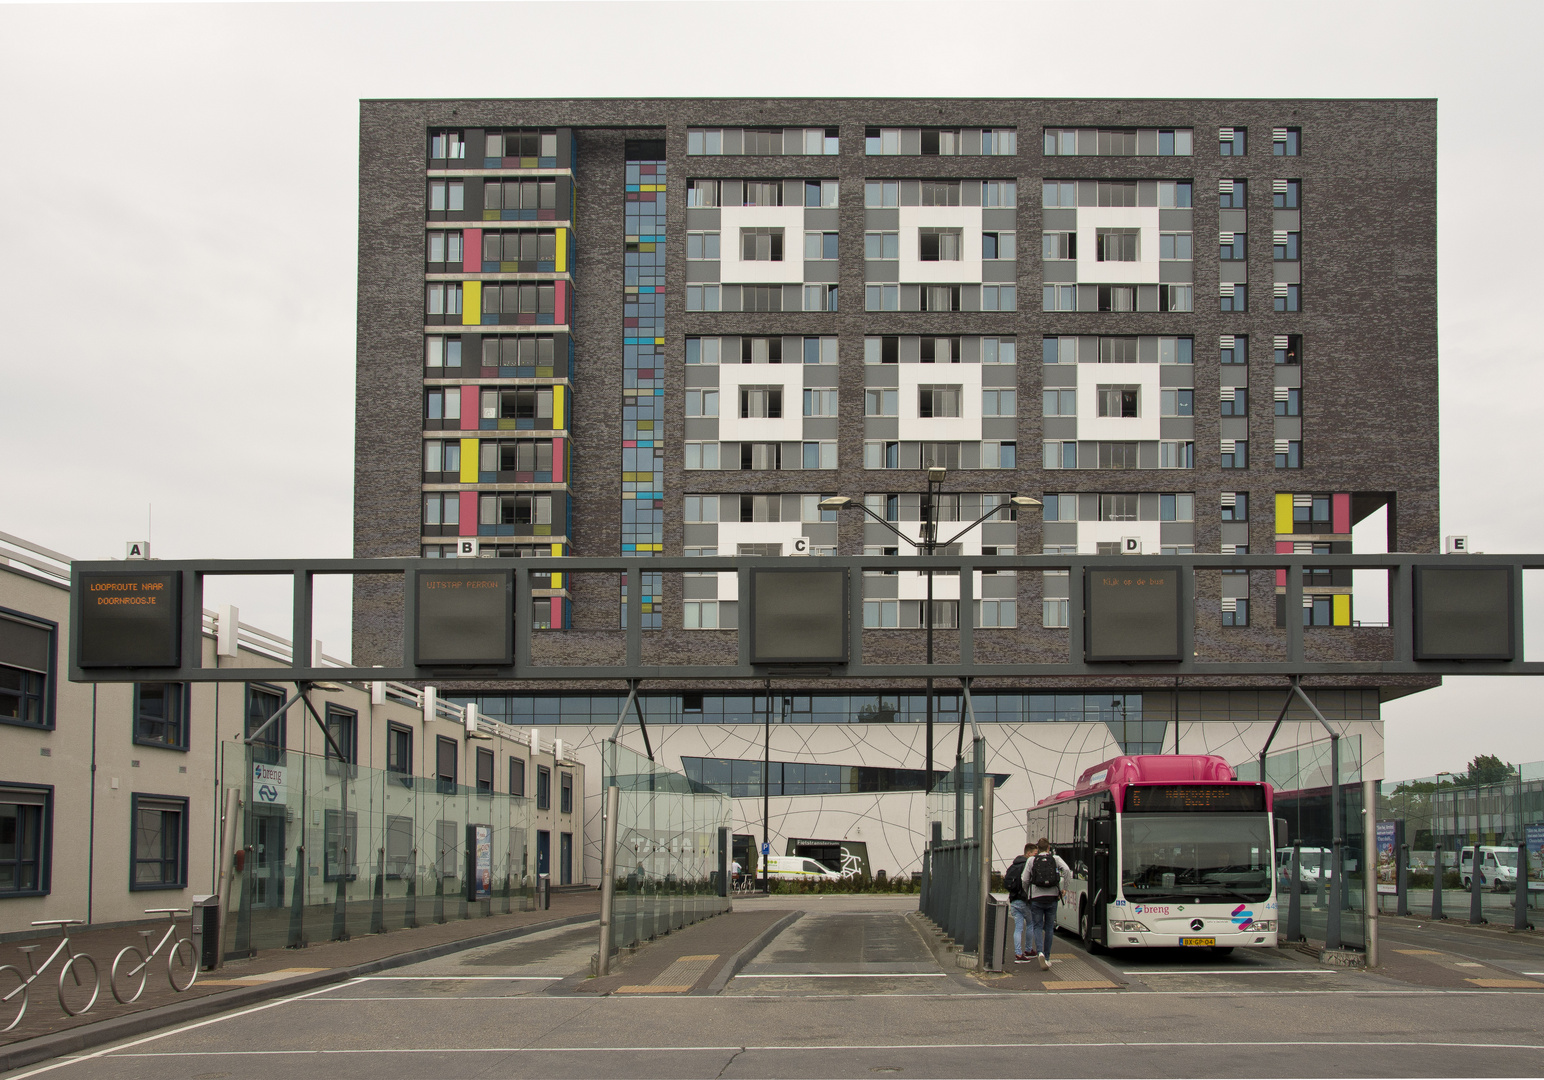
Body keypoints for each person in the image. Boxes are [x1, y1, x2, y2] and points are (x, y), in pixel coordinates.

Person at [1025, 836, 1072, 971]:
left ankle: (1039, 951)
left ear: (1037, 849)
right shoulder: (1055, 859)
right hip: (1052, 898)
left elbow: (1024, 879)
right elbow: (1067, 870)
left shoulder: (1031, 860)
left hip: (1036, 898)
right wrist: (1065, 889)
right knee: (1049, 927)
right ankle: (1047, 957)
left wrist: (1028, 892)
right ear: (1049, 848)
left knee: (1037, 926)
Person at [1003, 843, 1035, 963]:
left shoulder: (1013, 866)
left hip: (1014, 900)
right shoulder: (1027, 866)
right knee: (1031, 923)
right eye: (1034, 854)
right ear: (1028, 854)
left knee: (1018, 928)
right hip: (1023, 900)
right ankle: (1028, 949)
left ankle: (1018, 953)